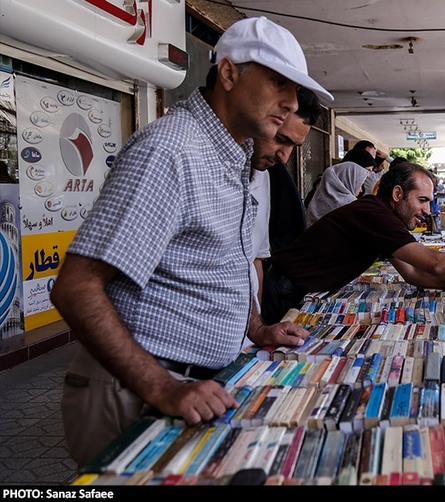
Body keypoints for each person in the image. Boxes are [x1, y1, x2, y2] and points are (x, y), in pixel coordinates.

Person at [48, 16, 333, 467]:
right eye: (279, 82)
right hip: (139, 390)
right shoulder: (171, 152)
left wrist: (256, 328)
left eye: (295, 91)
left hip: (191, 385)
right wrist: (163, 387)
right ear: (229, 72)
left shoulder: (234, 153)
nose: (290, 102)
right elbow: (76, 287)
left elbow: (222, 265)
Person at [260, 162, 445, 324]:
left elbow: (413, 273)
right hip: (280, 292)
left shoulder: (381, 216)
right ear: (397, 194)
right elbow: (434, 264)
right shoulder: (374, 215)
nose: (427, 210)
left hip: (294, 289)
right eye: (422, 201)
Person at [248, 87, 322, 310]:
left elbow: (256, 258)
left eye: (293, 146)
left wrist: (257, 325)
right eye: (281, 139)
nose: (284, 156)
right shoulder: (173, 154)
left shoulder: (264, 176)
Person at [305, 160, 370, 226]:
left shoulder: (317, 199)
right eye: (360, 185)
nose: (361, 190)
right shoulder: (350, 205)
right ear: (349, 181)